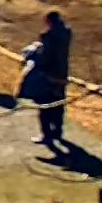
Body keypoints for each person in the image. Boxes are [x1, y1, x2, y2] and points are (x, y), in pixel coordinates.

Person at [32, 10, 71, 144]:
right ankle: (57, 131)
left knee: (45, 105)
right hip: (62, 73)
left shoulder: (49, 36)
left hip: (49, 75)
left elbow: (45, 57)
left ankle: (46, 134)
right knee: (58, 104)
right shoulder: (66, 33)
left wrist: (36, 55)